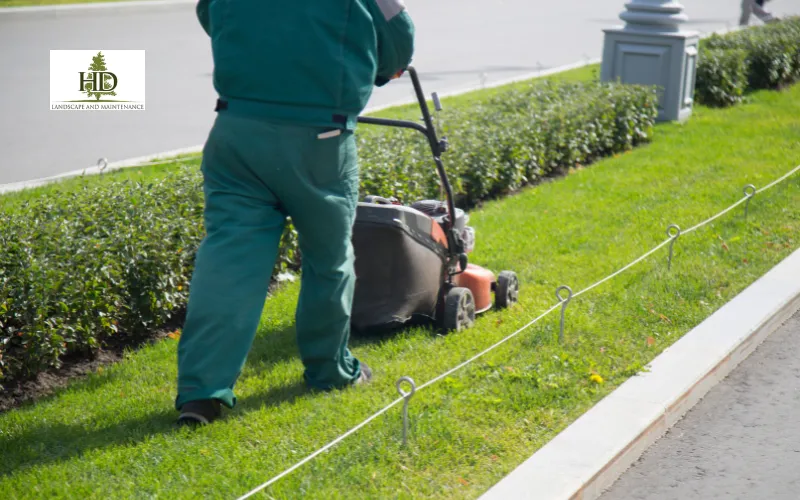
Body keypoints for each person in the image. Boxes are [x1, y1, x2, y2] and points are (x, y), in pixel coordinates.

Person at [174, 0, 415, 426]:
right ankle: (331, 372)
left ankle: (201, 393)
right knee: (328, 260)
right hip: (320, 138)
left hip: (238, 131)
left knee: (228, 262)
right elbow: (399, 40)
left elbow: (209, 15)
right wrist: (375, 69)